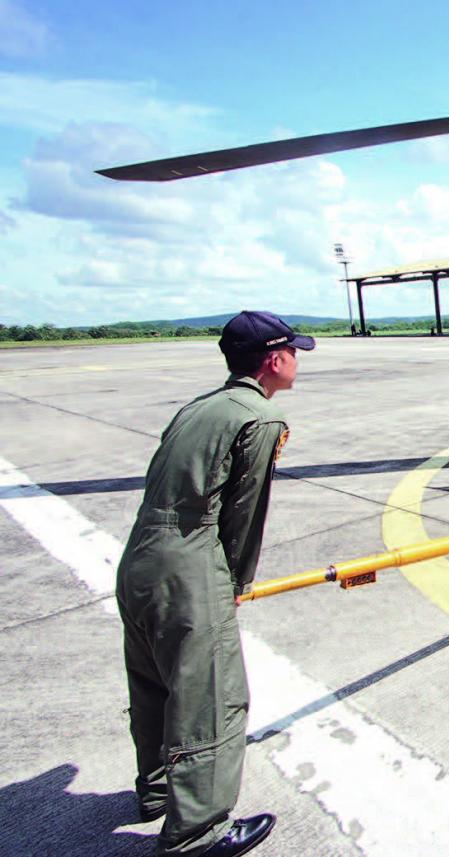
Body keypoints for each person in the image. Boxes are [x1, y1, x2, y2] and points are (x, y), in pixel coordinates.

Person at [116, 311, 314, 856]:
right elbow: (243, 515)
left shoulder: (200, 406)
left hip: (139, 558)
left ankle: (156, 792)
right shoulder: (258, 417)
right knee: (211, 697)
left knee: (153, 683)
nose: (298, 360)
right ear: (275, 360)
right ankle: (198, 834)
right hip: (188, 567)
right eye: (295, 351)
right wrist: (233, 582)